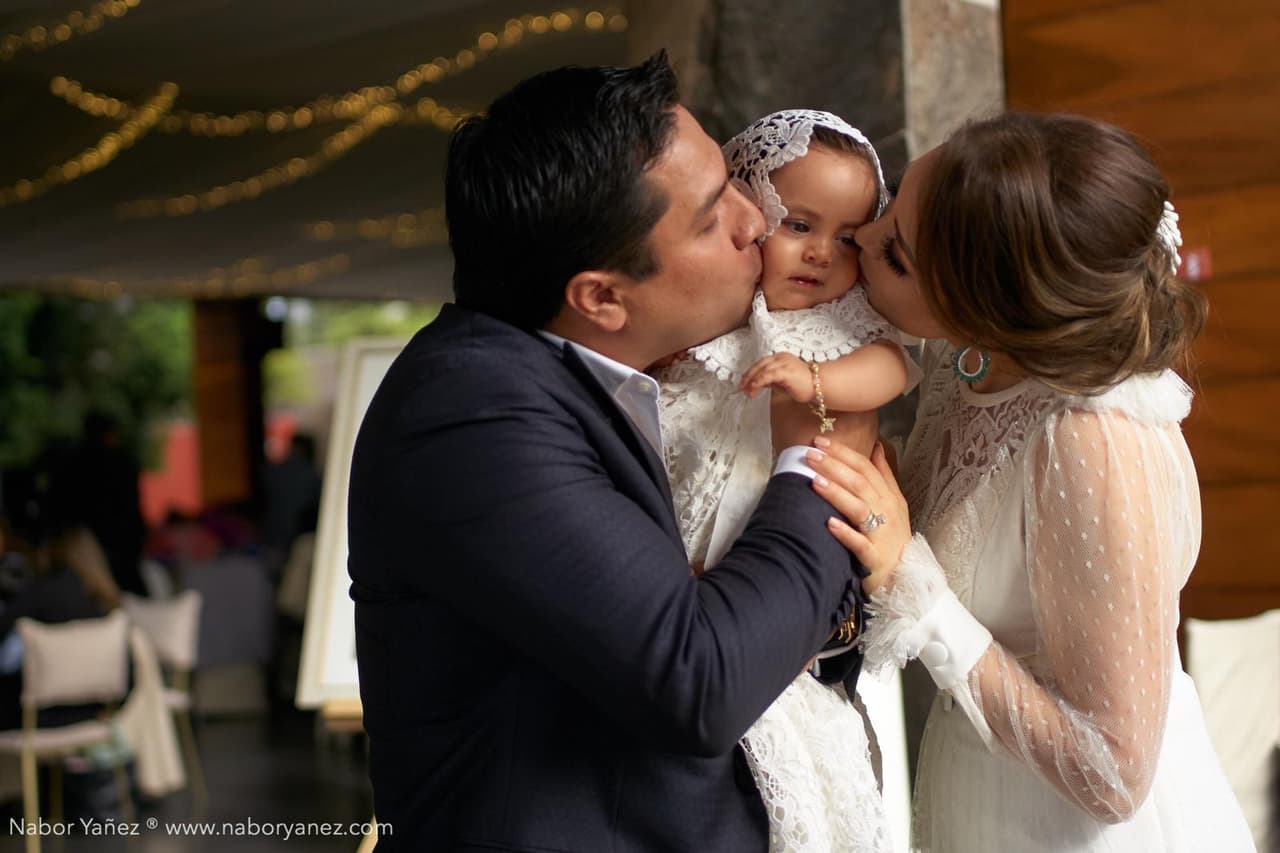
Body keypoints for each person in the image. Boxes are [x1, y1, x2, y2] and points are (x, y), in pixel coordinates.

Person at [347, 53, 887, 852]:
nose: (755, 223)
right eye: (712, 217)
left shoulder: (614, 379)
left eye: (736, 184)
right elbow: (700, 677)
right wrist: (819, 457)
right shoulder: (468, 412)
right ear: (601, 296)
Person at [818, 112, 1255, 851]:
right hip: (974, 790)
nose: (860, 238)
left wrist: (919, 595)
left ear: (988, 305)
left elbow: (1114, 774)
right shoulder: (972, 359)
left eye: (895, 249)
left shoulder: (1093, 441)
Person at [654, 109, 916, 852]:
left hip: (786, 552)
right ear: (744, 214)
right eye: (798, 223)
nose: (821, 255)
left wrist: (820, 379)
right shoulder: (716, 319)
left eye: (847, 237)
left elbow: (892, 368)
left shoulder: (842, 323)